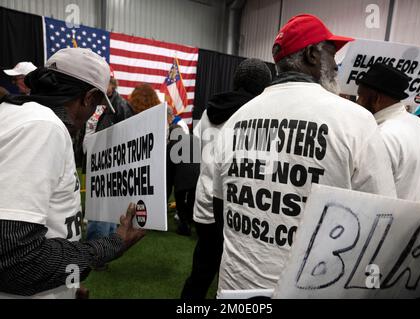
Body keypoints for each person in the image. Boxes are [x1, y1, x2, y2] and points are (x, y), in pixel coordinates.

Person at [210, 14, 397, 293]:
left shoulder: (236, 120)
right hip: (309, 290)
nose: (336, 66)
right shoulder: (354, 121)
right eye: (331, 55)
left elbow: (221, 207)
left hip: (236, 288)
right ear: (311, 54)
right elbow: (384, 218)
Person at [0, 48, 146, 298]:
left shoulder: (18, 114)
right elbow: (15, 260)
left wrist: (67, 281)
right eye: (98, 103)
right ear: (88, 97)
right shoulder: (43, 127)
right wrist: (113, 244)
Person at [181, 58, 273, 299]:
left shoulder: (208, 111)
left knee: (202, 268)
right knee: (236, 274)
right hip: (236, 207)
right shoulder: (261, 115)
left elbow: (198, 151)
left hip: (204, 203)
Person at [356, 62, 420, 202]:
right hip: (411, 217)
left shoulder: (382, 136)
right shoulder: (418, 123)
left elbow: (368, 196)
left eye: (360, 96)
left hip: (389, 219)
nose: (358, 102)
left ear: (376, 98)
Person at [84, 74, 134, 245]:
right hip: (94, 159)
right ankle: (106, 244)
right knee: (101, 205)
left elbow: (126, 135)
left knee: (102, 207)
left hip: (107, 163)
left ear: (112, 86)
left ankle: (98, 247)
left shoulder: (121, 105)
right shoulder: (95, 102)